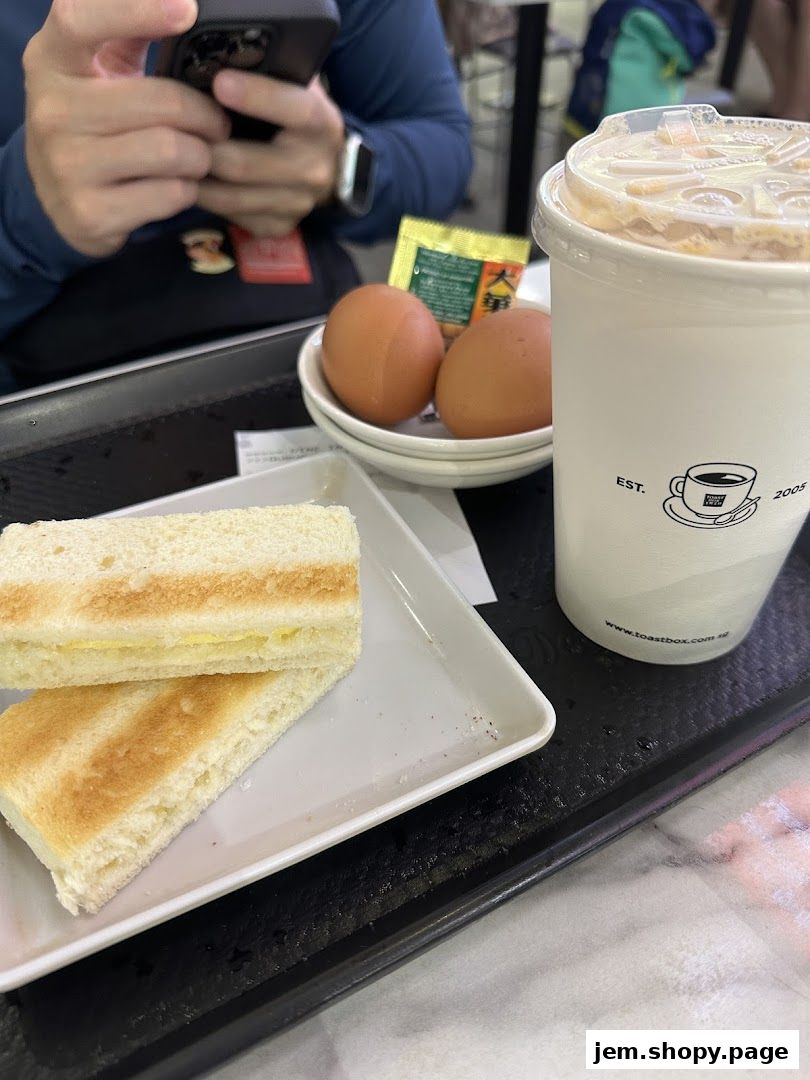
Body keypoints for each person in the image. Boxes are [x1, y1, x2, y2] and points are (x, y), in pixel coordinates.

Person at [0, 0, 472, 386]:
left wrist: (340, 168)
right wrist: (25, 216)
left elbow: (444, 147)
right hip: (41, 387)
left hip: (296, 346)